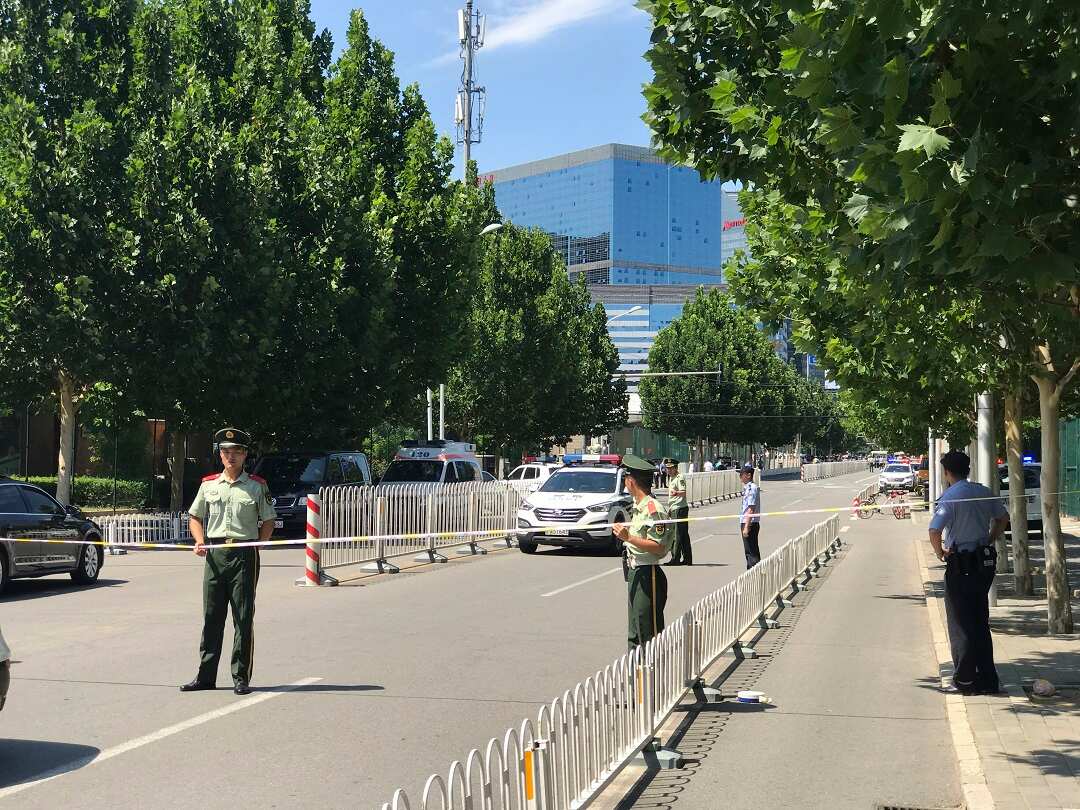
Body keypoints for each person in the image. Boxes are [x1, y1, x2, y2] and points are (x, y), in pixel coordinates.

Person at [181, 428, 276, 696]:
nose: (230, 456)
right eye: (225, 452)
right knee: (211, 617)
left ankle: (240, 676)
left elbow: (268, 520)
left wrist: (259, 544)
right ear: (220, 455)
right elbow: (195, 516)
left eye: (235, 452)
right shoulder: (208, 484)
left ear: (245, 454)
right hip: (215, 553)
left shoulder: (257, 485)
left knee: (242, 618)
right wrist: (199, 540)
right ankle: (205, 675)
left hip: (244, 555)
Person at [928, 450, 1009, 695]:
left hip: (961, 564)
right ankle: (987, 679)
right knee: (980, 621)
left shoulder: (950, 497)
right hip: (983, 562)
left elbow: (934, 530)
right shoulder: (983, 491)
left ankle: (965, 681)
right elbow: (1002, 518)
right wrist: (989, 539)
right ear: (968, 469)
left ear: (947, 473)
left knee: (961, 623)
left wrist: (940, 553)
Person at [613, 454, 673, 651]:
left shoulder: (653, 509)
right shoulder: (639, 507)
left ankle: (652, 677)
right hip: (635, 571)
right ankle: (636, 677)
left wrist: (628, 537)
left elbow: (659, 546)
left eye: (625, 478)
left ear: (631, 481)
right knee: (634, 633)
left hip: (649, 574)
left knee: (648, 633)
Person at [663, 459, 691, 566]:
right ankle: (687, 558)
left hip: (680, 508)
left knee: (677, 535)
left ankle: (676, 558)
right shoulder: (672, 478)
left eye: (671, 468)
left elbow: (683, 493)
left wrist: (676, 493)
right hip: (675, 508)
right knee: (683, 535)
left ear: (675, 468)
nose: (668, 470)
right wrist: (670, 509)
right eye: (667, 468)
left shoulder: (680, 478)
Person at [739, 463, 762, 568]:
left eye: (742, 474)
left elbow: (751, 508)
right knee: (749, 551)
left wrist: (747, 527)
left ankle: (753, 575)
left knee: (751, 552)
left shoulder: (751, 488)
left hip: (750, 523)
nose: (740, 477)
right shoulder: (747, 487)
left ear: (748, 475)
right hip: (747, 522)